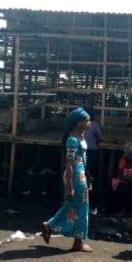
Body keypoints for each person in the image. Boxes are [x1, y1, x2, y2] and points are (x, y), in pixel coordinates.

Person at [40, 108, 93, 252]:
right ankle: (74, 240)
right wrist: (70, 186)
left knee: (74, 206)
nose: (89, 123)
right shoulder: (72, 140)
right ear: (78, 123)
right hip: (75, 176)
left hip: (81, 175)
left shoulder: (80, 137)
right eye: (86, 120)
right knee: (80, 208)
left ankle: (72, 238)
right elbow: (69, 165)